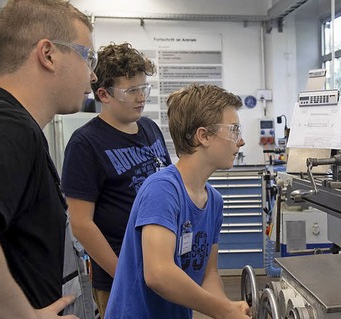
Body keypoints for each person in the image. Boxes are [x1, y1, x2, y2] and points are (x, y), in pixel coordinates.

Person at [0, 0, 98, 318]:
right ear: (48, 55)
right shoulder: (7, 125)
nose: (94, 75)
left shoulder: (0, 119)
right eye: (87, 57)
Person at [105, 84, 250, 319]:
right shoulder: (162, 190)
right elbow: (158, 274)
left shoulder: (213, 201)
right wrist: (223, 311)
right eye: (234, 130)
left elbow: (208, 274)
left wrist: (229, 308)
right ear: (203, 136)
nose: (241, 140)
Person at [61, 42, 172, 318]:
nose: (141, 97)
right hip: (119, 279)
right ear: (104, 94)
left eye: (143, 88)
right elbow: (81, 224)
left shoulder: (150, 128)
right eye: (131, 90)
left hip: (163, 269)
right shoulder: (85, 143)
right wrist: (126, 275)